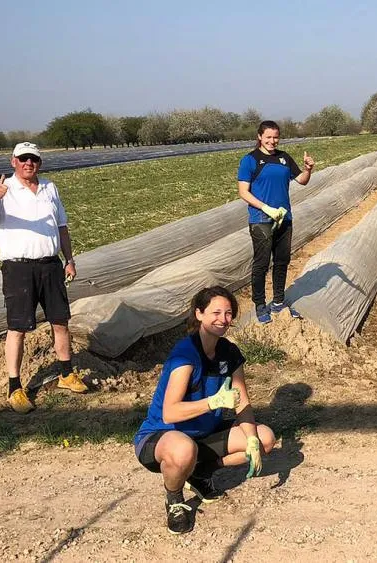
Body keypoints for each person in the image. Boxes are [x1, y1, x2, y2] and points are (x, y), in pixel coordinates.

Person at [133, 286, 277, 535]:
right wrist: (213, 403)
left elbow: (242, 402)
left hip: (204, 434)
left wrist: (251, 438)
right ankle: (175, 498)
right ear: (199, 314)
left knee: (265, 439)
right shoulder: (185, 354)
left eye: (229, 313)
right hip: (163, 434)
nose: (223, 319)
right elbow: (170, 412)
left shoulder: (229, 352)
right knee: (183, 449)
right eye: (216, 312)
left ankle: (200, 472)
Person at [0, 142, 87, 414]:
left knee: (60, 321)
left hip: (51, 265)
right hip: (19, 269)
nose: (28, 163)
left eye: (33, 159)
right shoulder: (2, 190)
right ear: (13, 161)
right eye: (23, 159)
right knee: (18, 327)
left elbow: (62, 227)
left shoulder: (50, 188)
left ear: (39, 163)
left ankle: (66, 374)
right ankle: (14, 387)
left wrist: (68, 260)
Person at [238, 120, 315, 323]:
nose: (272, 141)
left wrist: (308, 169)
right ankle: (260, 305)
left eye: (276, 137)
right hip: (261, 219)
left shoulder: (284, 158)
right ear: (260, 137)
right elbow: (243, 192)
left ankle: (279, 301)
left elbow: (302, 181)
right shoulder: (250, 160)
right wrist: (265, 208)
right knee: (261, 264)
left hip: (284, 218)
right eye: (268, 137)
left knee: (282, 261)